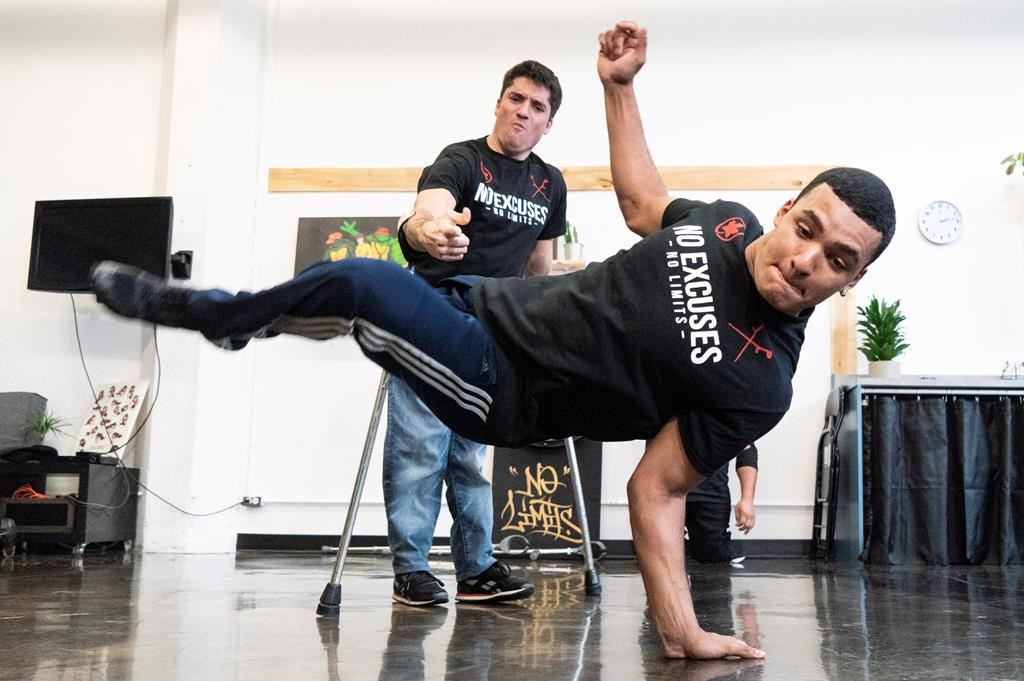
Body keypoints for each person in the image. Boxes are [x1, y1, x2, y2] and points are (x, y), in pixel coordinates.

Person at [89, 20, 895, 660]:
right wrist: (618, 88)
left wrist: (681, 629)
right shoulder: (723, 222)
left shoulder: (762, 380)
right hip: (487, 303)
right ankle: (262, 320)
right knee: (373, 295)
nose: (804, 259)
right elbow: (644, 199)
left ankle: (219, 315)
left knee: (364, 287)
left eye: (836, 259)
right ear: (789, 206)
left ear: (849, 280)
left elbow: (658, 489)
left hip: (505, 386)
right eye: (808, 227)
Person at [386, 60, 566, 607]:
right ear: (499, 103)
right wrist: (429, 230)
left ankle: (476, 569)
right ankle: (412, 570)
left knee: (470, 453)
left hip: (496, 328)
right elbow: (427, 211)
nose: (523, 111)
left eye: (537, 106)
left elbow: (539, 268)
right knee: (420, 447)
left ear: (548, 123)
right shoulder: (463, 159)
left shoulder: (549, 183)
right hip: (431, 314)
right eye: (516, 98)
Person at [685, 444, 758, 564]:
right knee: (662, 555)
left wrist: (747, 499)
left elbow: (746, 448)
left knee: (714, 554)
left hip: (710, 495)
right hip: (664, 492)